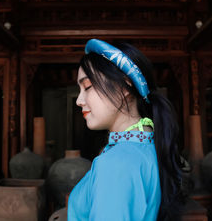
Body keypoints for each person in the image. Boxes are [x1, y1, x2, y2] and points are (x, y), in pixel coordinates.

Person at [68, 39, 183, 221]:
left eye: (88, 86)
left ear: (125, 86)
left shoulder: (116, 164)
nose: (79, 100)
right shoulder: (148, 146)